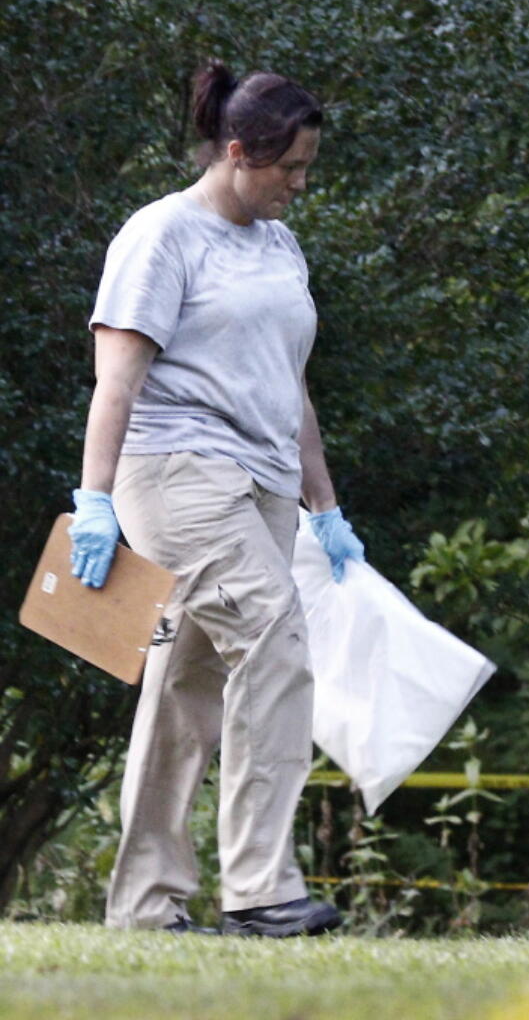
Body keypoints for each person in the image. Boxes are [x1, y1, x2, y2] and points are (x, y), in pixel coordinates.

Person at [67, 62, 365, 937]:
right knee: (275, 639)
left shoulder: (279, 244)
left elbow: (291, 385)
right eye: (290, 169)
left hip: (265, 486)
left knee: (184, 689)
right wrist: (94, 500)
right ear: (238, 153)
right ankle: (261, 888)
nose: (301, 185)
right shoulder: (161, 237)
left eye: (308, 167)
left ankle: (146, 905)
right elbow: (115, 383)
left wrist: (326, 507)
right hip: (177, 474)